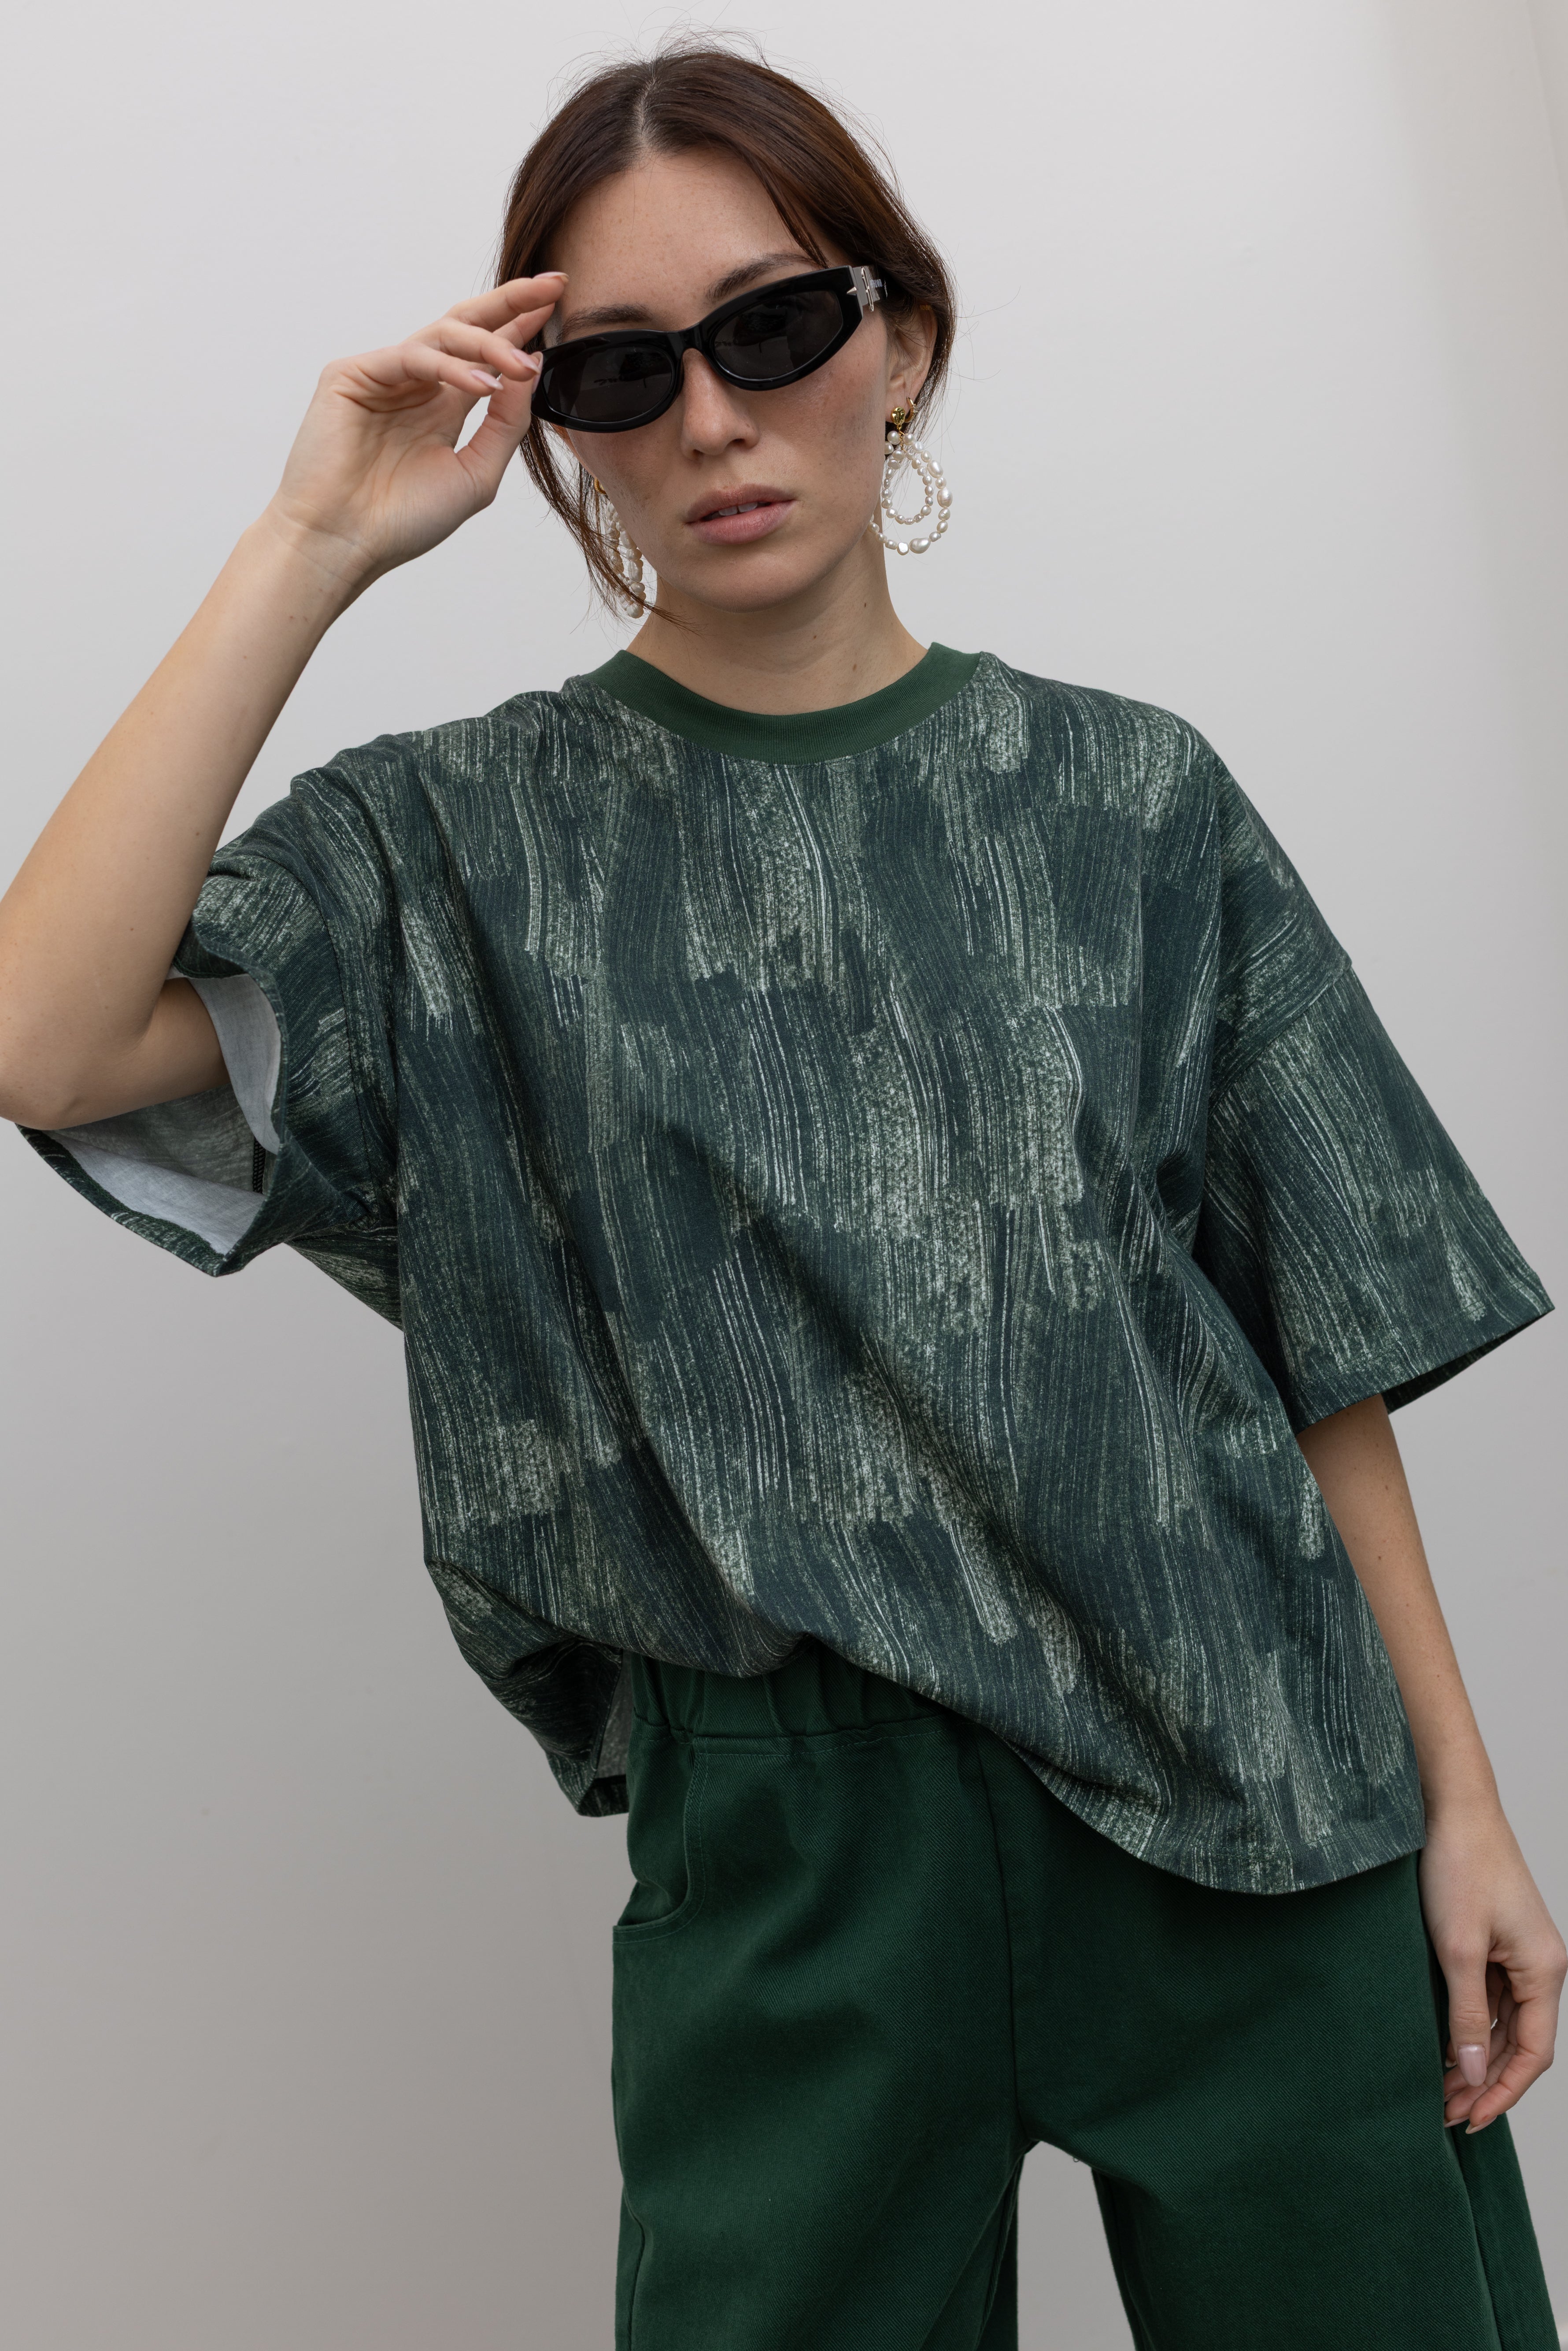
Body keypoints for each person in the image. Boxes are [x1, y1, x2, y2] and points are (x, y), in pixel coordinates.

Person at [0, 40, 1561, 2351]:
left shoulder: (1135, 803)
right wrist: (307, 541)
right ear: (547, 422)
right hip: (799, 1843)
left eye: (772, 329)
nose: (712, 419)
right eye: (621, 370)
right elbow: (44, 1037)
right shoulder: (451, 847)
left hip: (1259, 1799)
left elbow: (1311, 1347)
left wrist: (1462, 1807)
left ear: (894, 338)